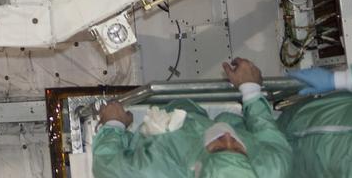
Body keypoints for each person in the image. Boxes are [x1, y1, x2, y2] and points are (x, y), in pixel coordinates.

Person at [92, 57, 292, 178]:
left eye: (220, 147)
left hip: (165, 138)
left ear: (198, 167)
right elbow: (265, 129)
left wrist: (114, 125)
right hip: (209, 119)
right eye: (238, 149)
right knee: (226, 122)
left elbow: (107, 165)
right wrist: (250, 88)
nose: (228, 138)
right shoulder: (273, 168)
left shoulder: (155, 172)